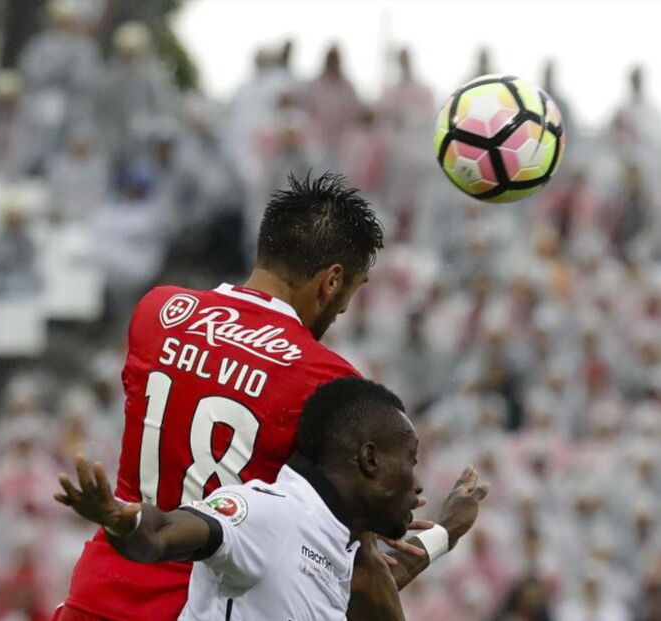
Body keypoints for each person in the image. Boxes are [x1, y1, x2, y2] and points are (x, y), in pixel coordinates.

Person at [57, 172, 463, 620]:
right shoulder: (329, 380)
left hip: (99, 592)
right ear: (331, 281)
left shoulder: (159, 311)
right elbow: (356, 579)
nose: (346, 307)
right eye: (353, 287)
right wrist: (438, 531)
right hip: (200, 607)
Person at [56, 377, 489, 620]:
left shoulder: (337, 545)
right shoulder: (270, 513)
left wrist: (447, 531)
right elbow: (162, 532)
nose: (418, 484)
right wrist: (121, 519)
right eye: (411, 461)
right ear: (370, 459)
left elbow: (358, 587)